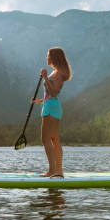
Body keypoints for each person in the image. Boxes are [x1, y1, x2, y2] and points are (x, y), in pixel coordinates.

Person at [31, 47, 72, 178]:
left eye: (48, 55)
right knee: (54, 140)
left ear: (54, 58)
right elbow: (51, 95)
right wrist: (39, 101)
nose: (46, 58)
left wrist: (44, 77)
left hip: (51, 109)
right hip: (51, 105)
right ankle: (58, 172)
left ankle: (52, 171)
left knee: (45, 139)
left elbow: (53, 92)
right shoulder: (56, 72)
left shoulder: (58, 73)